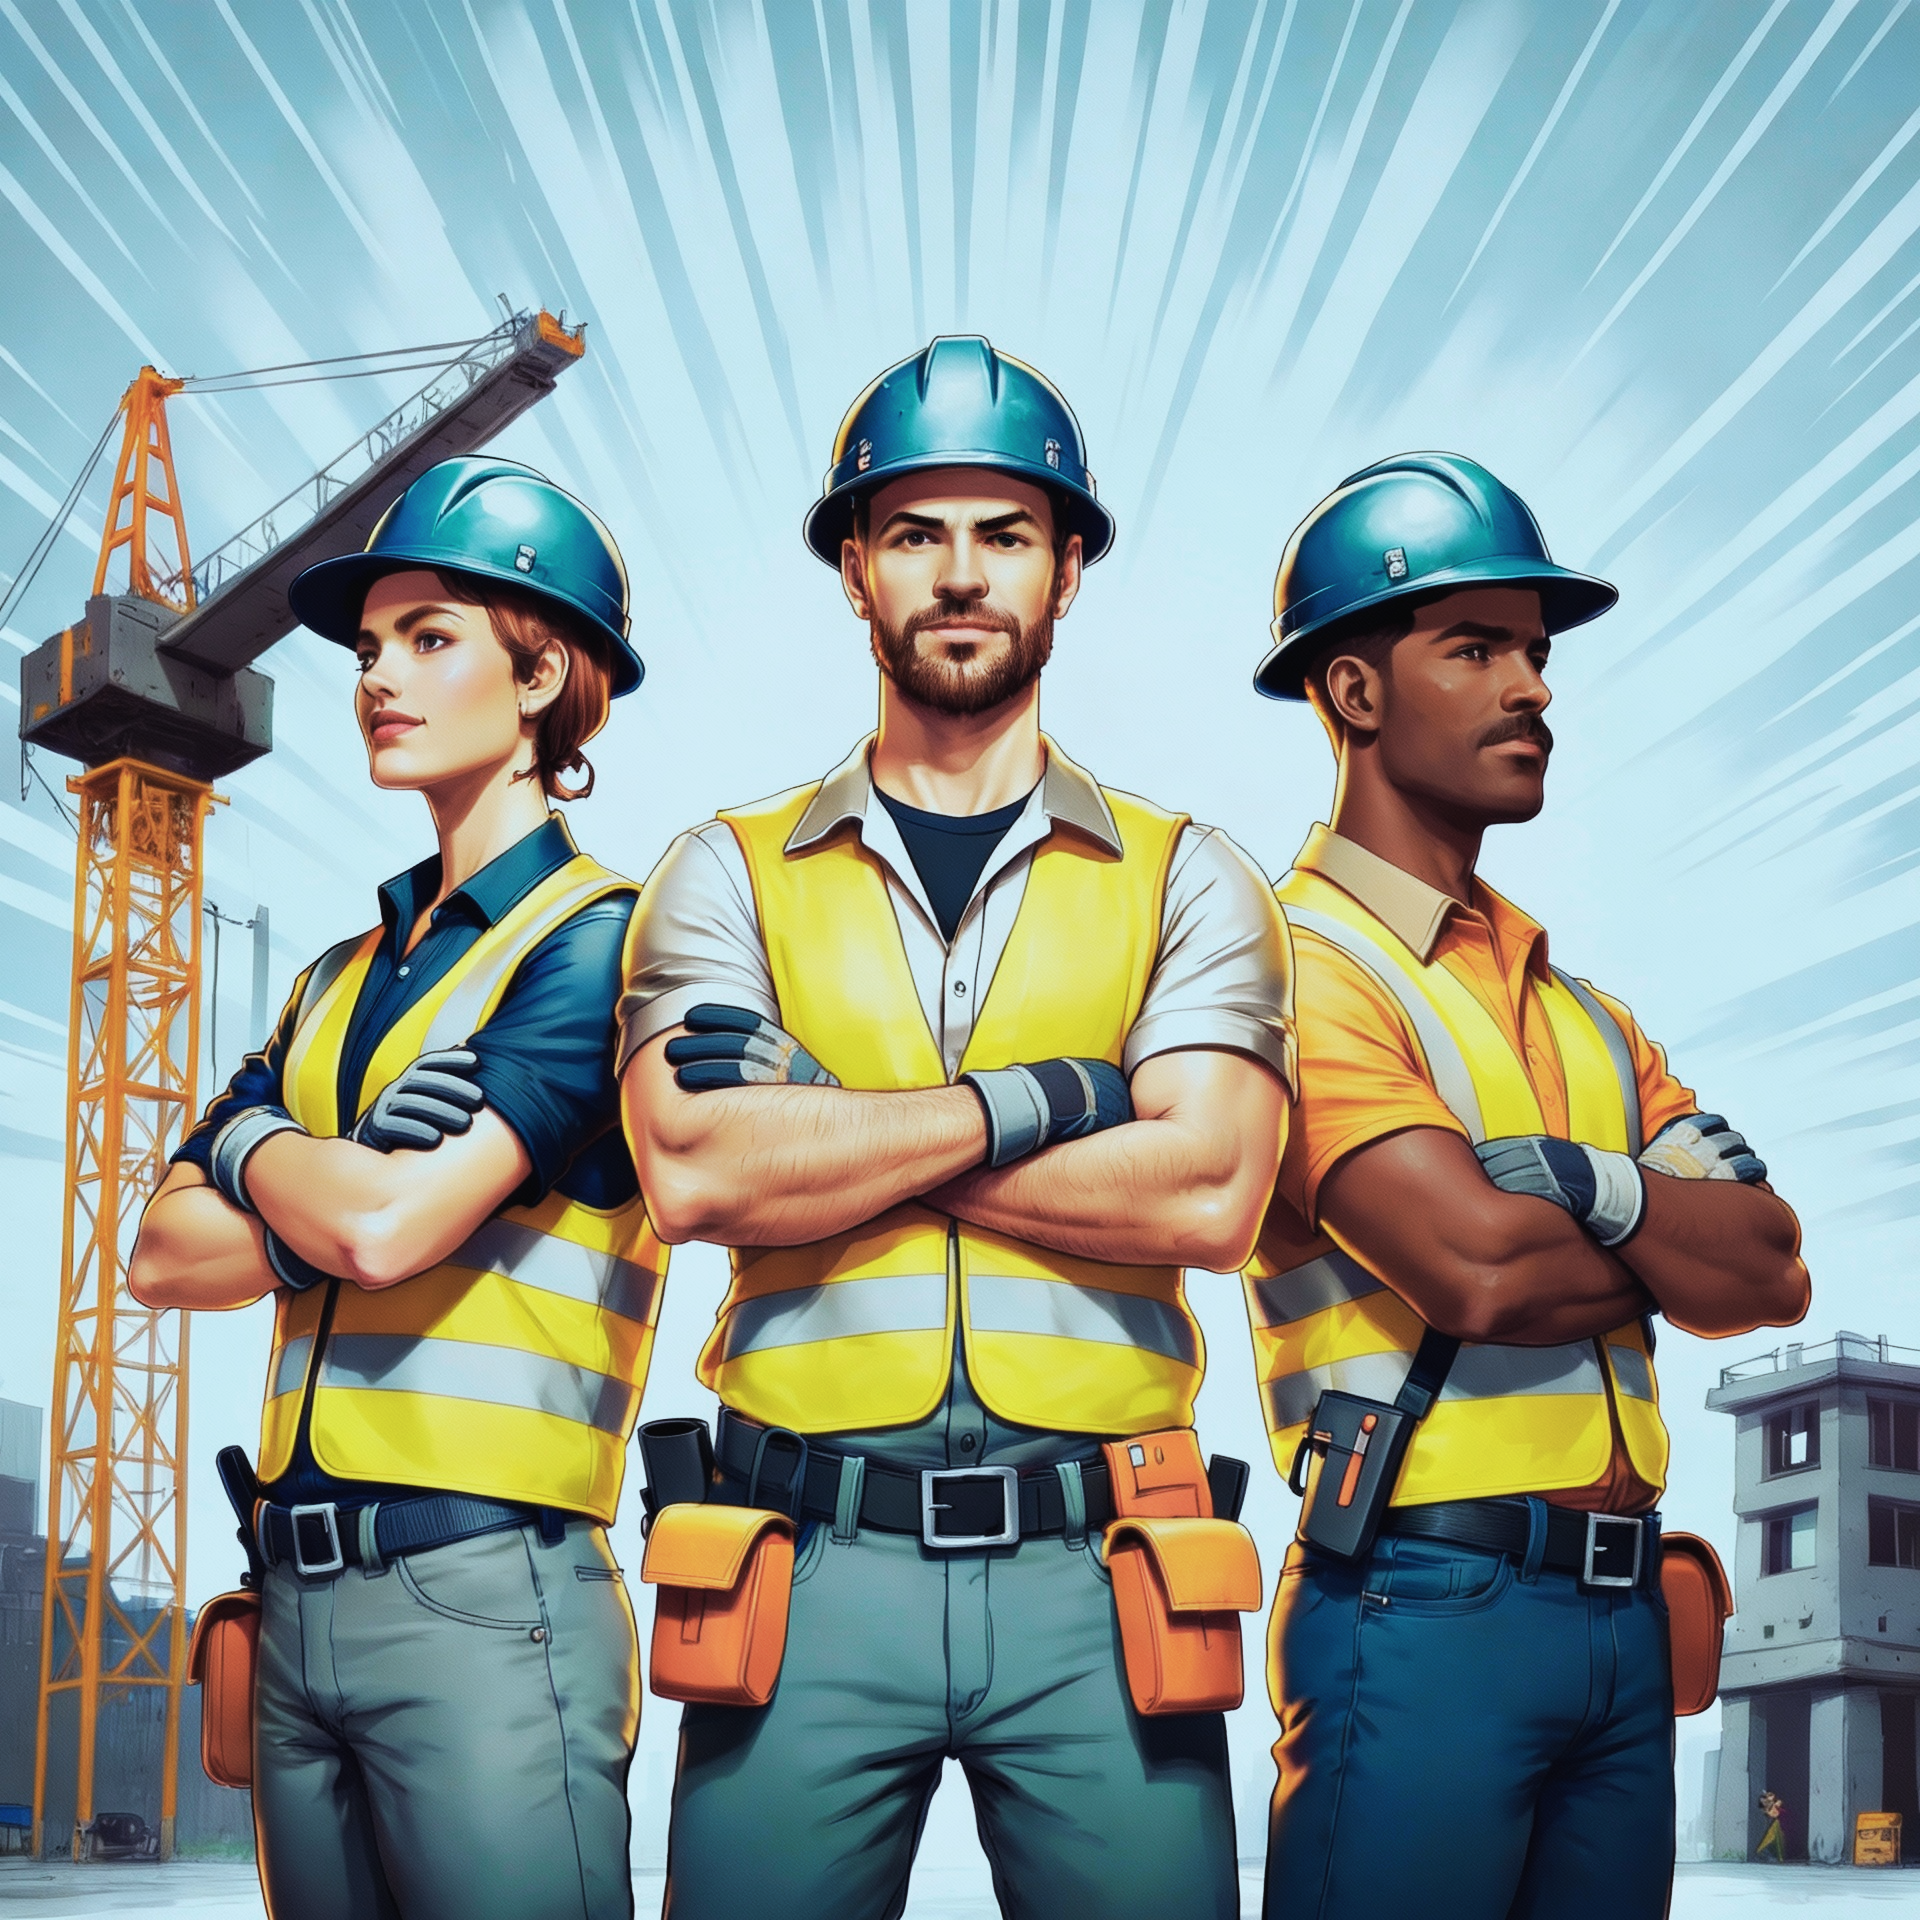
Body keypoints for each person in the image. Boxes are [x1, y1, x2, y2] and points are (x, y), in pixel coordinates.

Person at [618, 335, 1296, 1920]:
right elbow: (698, 1169)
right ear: (855, 568)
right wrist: (1046, 1102)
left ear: (1069, 569)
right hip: (802, 1560)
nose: (963, 574)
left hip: (1102, 1573)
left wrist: (832, 1123)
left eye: (1006, 534)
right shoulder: (722, 872)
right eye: (917, 533)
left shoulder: (1192, 877)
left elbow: (1207, 1193)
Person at [1239, 453, 1811, 1919]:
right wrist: (1661, 1234)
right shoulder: (1289, 969)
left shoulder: (1587, 1014)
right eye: (1477, 648)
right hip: (1420, 1600)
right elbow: (1479, 1271)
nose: (1534, 690)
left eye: (1537, 654)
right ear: (1354, 691)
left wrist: (1589, 1189)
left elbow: (1769, 1270)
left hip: (1623, 1617)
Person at [128, 457, 662, 1920]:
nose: (378, 677)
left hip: (485, 1595)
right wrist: (312, 1157)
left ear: (543, 674)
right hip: (293, 1605)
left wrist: (256, 1150)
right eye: (370, 648)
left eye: (430, 638)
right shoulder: (333, 980)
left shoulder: (602, 946)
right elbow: (160, 1254)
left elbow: (384, 1226)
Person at [1757, 1790, 1788, 1862]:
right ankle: (1767, 1855)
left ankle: (1775, 1857)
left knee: (1776, 1840)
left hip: (1778, 1823)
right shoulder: (1766, 1809)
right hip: (1773, 1823)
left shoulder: (1776, 1806)